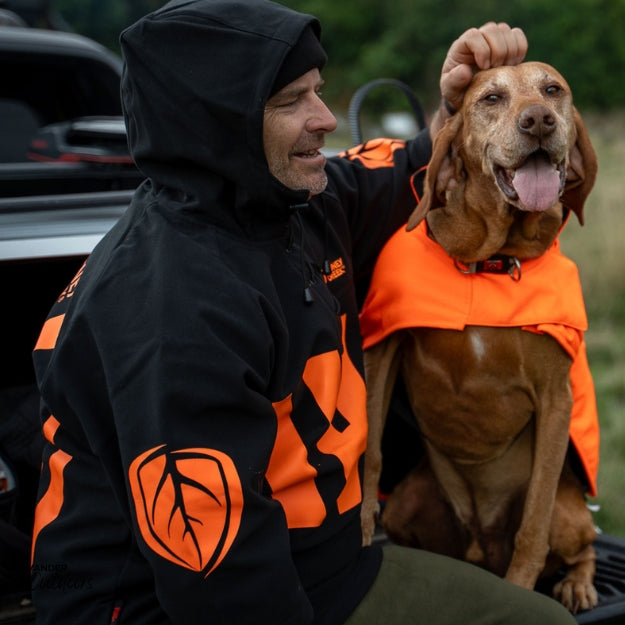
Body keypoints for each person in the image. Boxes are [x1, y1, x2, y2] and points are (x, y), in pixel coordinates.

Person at [30, 1, 577, 624]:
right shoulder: (171, 309)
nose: (324, 118)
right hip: (171, 602)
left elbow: (416, 170)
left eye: (318, 91)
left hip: (323, 559)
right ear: (219, 122)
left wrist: (460, 107)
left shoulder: (292, 198)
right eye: (292, 101)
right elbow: (220, 583)